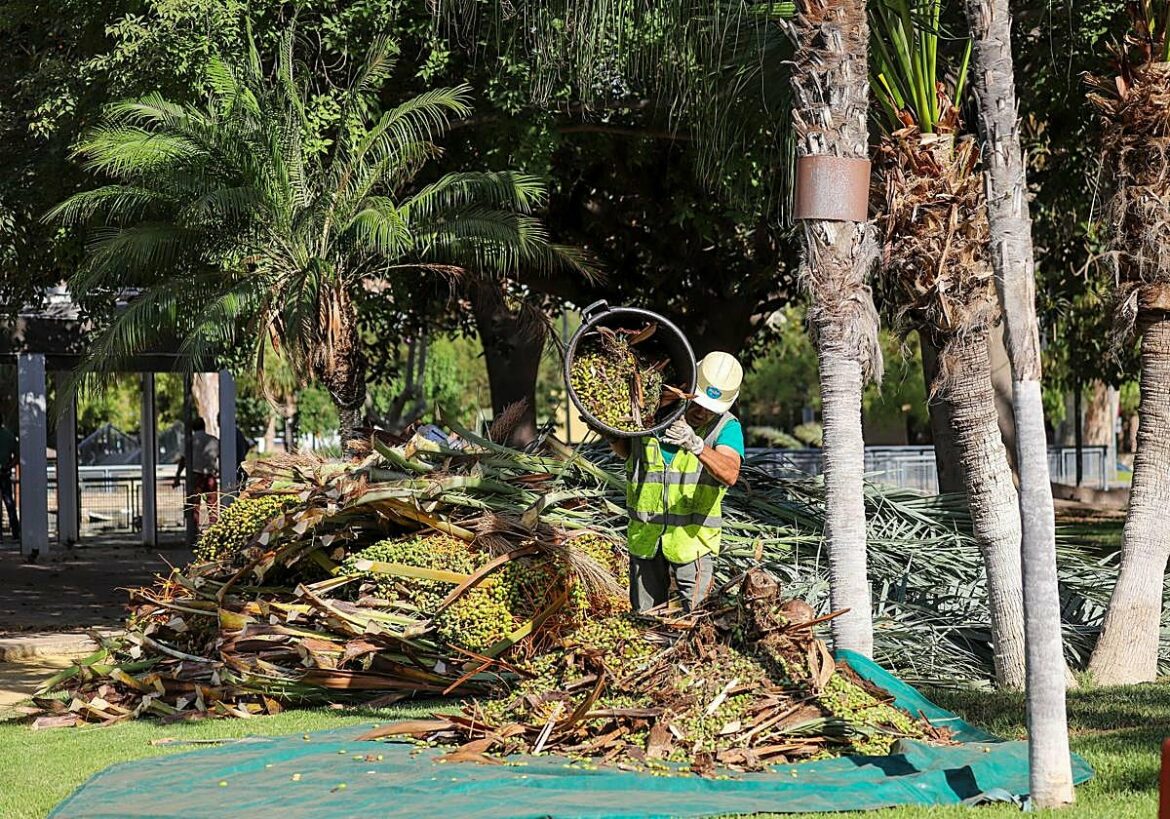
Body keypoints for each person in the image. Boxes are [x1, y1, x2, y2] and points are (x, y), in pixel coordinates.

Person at [610, 351, 745, 613]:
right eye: (698, 402)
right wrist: (610, 432)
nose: (701, 412)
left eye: (710, 409)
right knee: (646, 621)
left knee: (698, 622)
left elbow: (730, 473)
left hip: (691, 545)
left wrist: (697, 446)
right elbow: (630, 452)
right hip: (646, 537)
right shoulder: (651, 409)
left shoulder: (726, 427)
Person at [173, 417, 220, 527]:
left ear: (193, 428)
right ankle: (214, 530)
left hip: (195, 475)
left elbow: (183, 460)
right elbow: (219, 457)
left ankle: (195, 532)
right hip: (210, 476)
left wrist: (178, 476)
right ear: (204, 427)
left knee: (194, 507)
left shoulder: (189, 441)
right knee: (213, 506)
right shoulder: (213, 440)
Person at [0, 418, 19, 541]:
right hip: (4, 472)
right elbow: (18, 455)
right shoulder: (9, 436)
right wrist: (9, 465)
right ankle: (16, 532)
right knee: (9, 502)